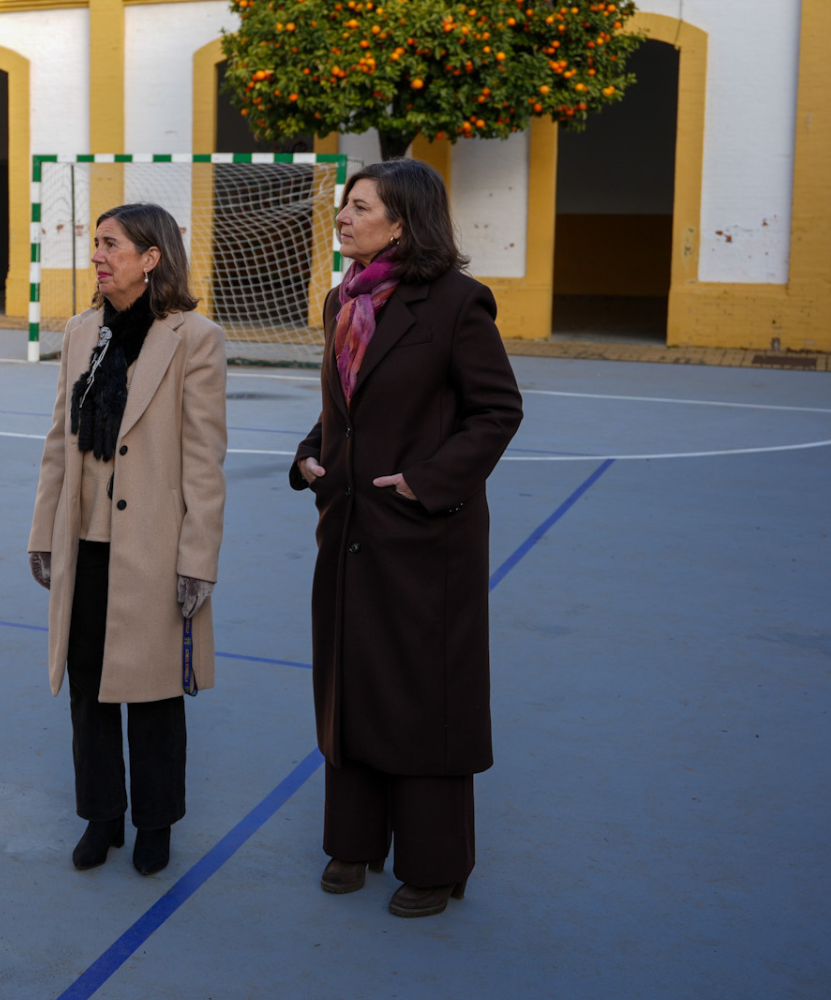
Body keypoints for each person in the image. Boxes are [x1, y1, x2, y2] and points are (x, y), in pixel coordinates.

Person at [288, 158, 522, 918]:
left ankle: (433, 863)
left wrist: (428, 482)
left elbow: (496, 410)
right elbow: (346, 408)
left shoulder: (457, 303)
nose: (343, 216)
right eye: (344, 204)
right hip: (349, 527)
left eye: (359, 206)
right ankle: (352, 844)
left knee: (424, 699)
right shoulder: (341, 302)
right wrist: (310, 455)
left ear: (403, 220)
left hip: (426, 538)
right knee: (351, 685)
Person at [28, 202, 228, 876]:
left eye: (112, 245)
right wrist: (44, 533)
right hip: (84, 541)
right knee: (89, 691)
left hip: (153, 547)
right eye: (96, 245)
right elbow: (60, 441)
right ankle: (102, 817)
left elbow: (204, 458)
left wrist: (198, 558)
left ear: (152, 257)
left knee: (152, 696)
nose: (98, 256)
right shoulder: (83, 330)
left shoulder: (193, 337)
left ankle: (155, 824)